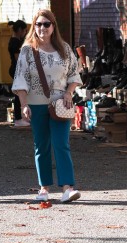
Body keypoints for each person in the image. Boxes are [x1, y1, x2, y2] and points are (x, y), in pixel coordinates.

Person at [12, 10, 82, 203]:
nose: (42, 28)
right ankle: (44, 187)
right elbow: (20, 80)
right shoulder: (27, 50)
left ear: (53, 26)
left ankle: (68, 187)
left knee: (62, 144)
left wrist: (69, 92)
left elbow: (74, 75)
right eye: (38, 24)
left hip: (60, 105)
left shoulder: (64, 49)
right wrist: (24, 104)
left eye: (46, 24)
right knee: (41, 146)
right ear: (34, 26)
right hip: (36, 105)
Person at [7, 20, 29, 127]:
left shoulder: (14, 40)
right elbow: (18, 58)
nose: (25, 33)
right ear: (20, 30)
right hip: (16, 69)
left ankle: (20, 117)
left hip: (15, 68)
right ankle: (18, 118)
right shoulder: (15, 42)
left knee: (20, 93)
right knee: (18, 94)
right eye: (25, 31)